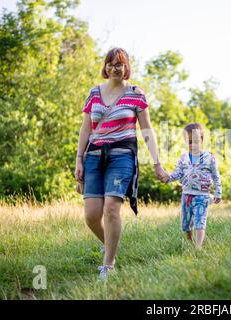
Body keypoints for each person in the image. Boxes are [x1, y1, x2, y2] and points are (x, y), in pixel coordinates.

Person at [75, 47, 169, 280]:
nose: (114, 68)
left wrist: (157, 163)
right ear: (105, 67)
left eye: (119, 64)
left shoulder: (136, 94)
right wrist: (78, 160)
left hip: (122, 156)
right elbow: (86, 128)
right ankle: (109, 245)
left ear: (126, 67)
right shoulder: (94, 92)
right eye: (110, 64)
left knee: (111, 208)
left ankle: (108, 265)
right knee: (91, 214)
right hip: (94, 156)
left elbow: (147, 130)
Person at [165, 123, 222, 248]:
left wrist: (218, 191)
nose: (193, 144)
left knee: (199, 220)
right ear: (186, 142)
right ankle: (190, 240)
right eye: (190, 142)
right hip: (186, 195)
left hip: (202, 195)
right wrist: (168, 178)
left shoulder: (209, 158)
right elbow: (178, 173)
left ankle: (198, 247)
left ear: (202, 140)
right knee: (186, 223)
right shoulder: (183, 157)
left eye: (196, 141)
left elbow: (216, 175)